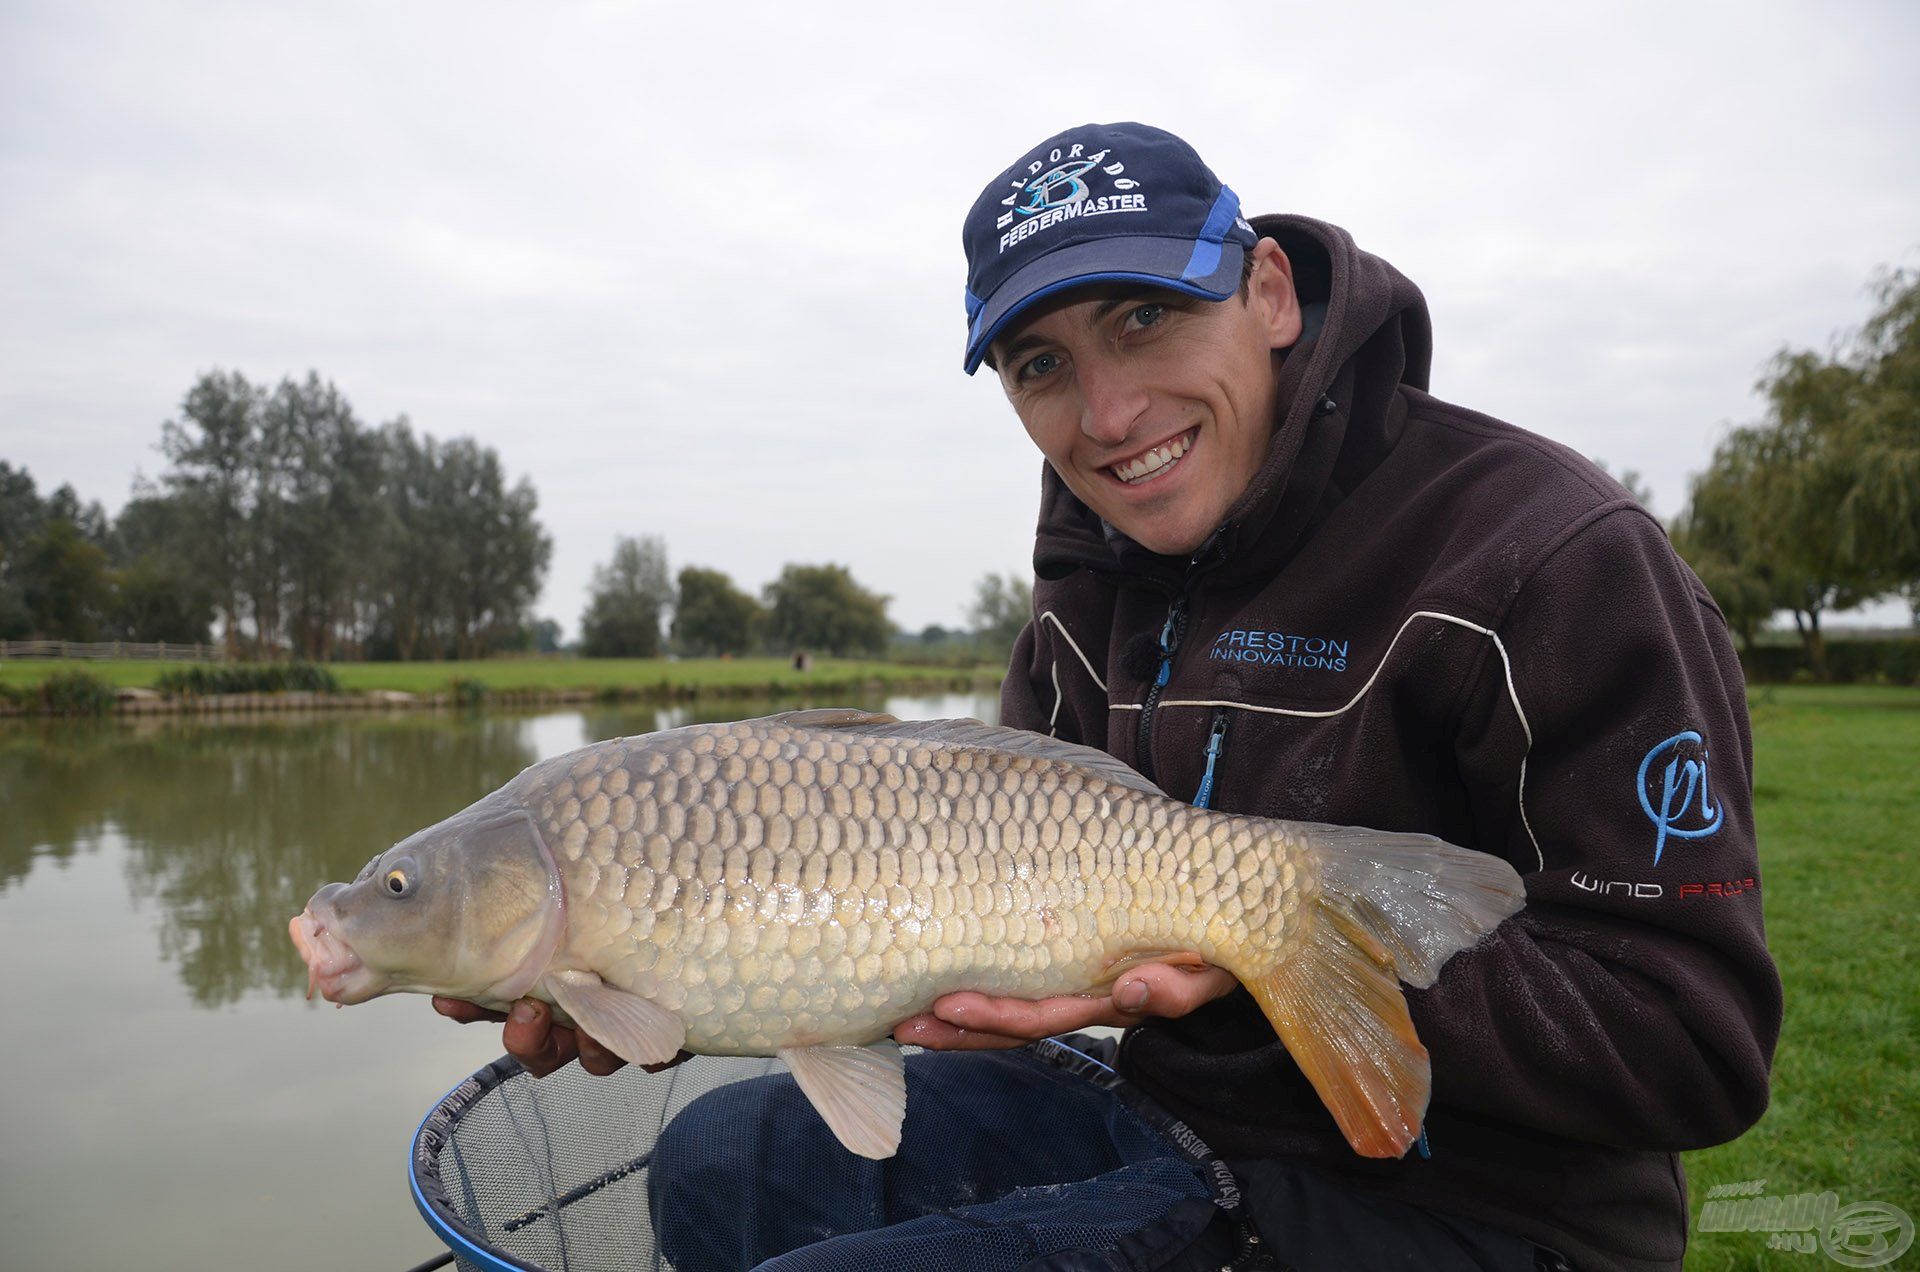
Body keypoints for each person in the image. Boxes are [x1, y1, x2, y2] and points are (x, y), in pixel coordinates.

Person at [436, 121, 1781, 1271]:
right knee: (720, 1166)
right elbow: (987, 937)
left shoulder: (1545, 553)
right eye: (1042, 366)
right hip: (1159, 1118)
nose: (1109, 412)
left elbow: (1691, 1044)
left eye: (1146, 318)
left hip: (1480, 1209)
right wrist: (687, 971)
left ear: (1268, 290)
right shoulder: (1093, 581)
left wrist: (1255, 961)